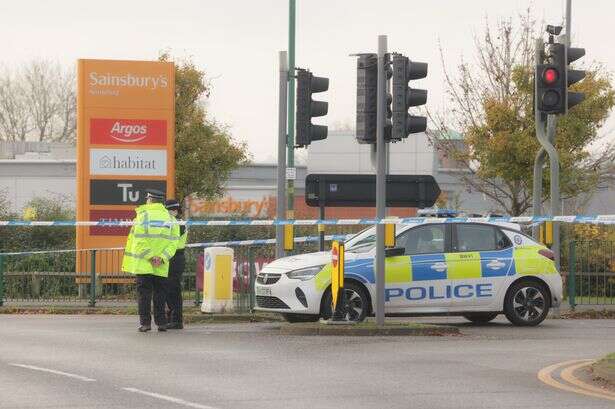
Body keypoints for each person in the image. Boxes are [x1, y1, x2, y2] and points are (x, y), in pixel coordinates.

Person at [122, 189, 180, 332]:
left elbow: (139, 241)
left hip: (144, 264)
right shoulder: (171, 220)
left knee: (144, 295)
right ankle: (161, 323)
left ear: (150, 200)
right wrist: (162, 258)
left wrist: (150, 256)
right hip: (161, 264)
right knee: (160, 294)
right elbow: (174, 243)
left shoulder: (142, 217)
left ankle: (145, 324)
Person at [164, 199, 187, 329]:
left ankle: (176, 320)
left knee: (173, 290)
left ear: (174, 210)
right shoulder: (174, 222)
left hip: (176, 257)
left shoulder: (178, 223)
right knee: (168, 290)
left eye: (167, 210)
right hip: (171, 257)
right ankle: (171, 317)